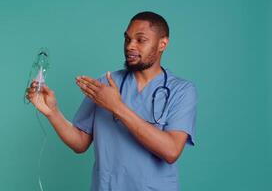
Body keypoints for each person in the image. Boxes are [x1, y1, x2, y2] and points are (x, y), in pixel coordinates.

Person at [26, 11, 197, 191]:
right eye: (127, 39)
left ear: (162, 43)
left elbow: (171, 151)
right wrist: (53, 112)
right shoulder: (105, 84)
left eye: (140, 40)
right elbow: (80, 142)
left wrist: (116, 106)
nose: (130, 46)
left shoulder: (181, 91)